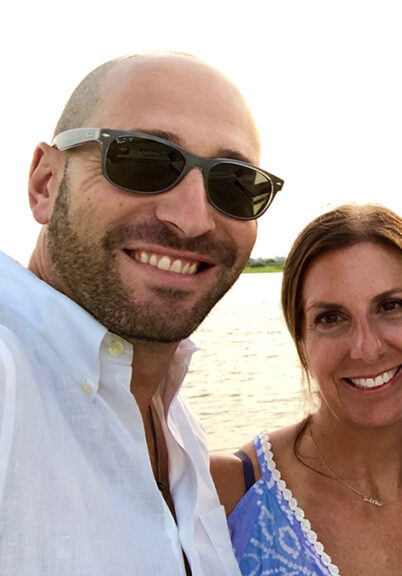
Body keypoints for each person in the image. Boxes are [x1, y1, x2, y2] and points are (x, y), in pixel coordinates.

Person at [0, 53, 283, 574]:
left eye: (235, 184)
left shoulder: (173, 421)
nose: (193, 220)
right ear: (45, 183)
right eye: (143, 161)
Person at [210, 204, 402, 576]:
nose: (367, 348)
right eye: (331, 318)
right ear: (301, 339)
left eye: (391, 306)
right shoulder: (230, 494)